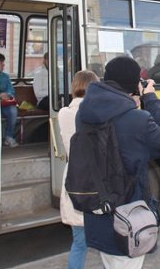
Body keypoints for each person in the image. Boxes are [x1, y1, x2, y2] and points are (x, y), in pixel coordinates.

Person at [77, 56, 160, 269]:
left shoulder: (84, 113)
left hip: (98, 216)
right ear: (134, 85)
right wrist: (150, 98)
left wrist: (128, 103)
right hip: (128, 220)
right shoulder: (136, 120)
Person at [58, 70, 99, 269]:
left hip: (74, 180)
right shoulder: (97, 113)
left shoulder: (64, 113)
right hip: (97, 181)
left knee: (79, 243)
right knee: (107, 241)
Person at [0, 53, 18, 148]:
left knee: (13, 110)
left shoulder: (5, 77)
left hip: (4, 105)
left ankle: (8, 136)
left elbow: (11, 90)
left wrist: (7, 94)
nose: (3, 65)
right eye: (1, 62)